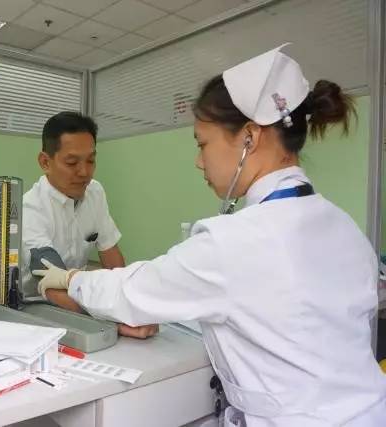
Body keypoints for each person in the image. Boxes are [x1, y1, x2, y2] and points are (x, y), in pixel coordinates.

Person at [35, 45, 386, 425]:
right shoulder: (346, 228)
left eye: (203, 144)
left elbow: (129, 292)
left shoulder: (235, 241)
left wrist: (70, 279)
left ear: (249, 137)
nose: (199, 161)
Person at [22, 111, 158, 339]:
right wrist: (114, 320)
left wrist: (130, 305)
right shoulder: (30, 208)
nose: (84, 172)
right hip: (36, 307)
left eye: (91, 161)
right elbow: (51, 284)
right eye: (72, 162)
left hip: (79, 300)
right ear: (45, 162)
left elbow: (112, 258)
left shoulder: (95, 192)